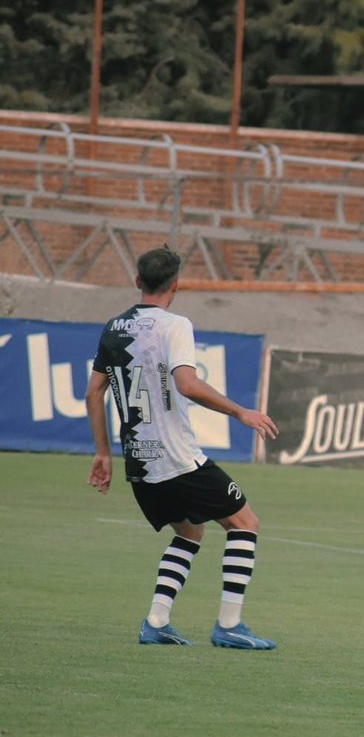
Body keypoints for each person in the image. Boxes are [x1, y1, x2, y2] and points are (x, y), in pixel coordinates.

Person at [85, 246, 280, 649]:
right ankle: (229, 625)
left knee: (191, 533)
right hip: (177, 457)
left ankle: (157, 621)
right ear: (177, 285)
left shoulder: (114, 328)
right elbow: (187, 384)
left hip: (140, 463)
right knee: (245, 523)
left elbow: (93, 393)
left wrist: (102, 453)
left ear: (137, 281)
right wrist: (241, 412)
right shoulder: (175, 325)